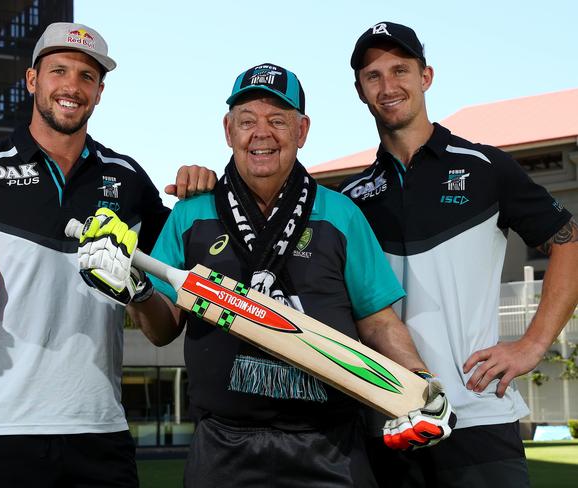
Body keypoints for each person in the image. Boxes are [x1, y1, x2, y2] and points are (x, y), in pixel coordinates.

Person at [76, 63, 455, 487]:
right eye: (248, 121)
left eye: (278, 120)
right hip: (223, 447)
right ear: (228, 130)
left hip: (328, 448)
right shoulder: (191, 213)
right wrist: (138, 292)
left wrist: (421, 381)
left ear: (302, 131)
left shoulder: (342, 214)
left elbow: (379, 321)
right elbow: (164, 329)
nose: (262, 133)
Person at [0, 22, 215, 488]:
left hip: (100, 429)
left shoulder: (128, 180)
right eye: (59, 70)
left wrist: (201, 192)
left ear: (100, 92)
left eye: (86, 76)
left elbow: (183, 261)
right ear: (32, 80)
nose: (72, 86)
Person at [340, 21, 578, 487]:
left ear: (425, 77)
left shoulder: (486, 167)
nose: (389, 86)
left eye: (400, 70)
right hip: (390, 420)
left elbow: (568, 240)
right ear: (360, 91)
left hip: (478, 413)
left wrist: (532, 345)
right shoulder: (352, 198)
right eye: (374, 76)